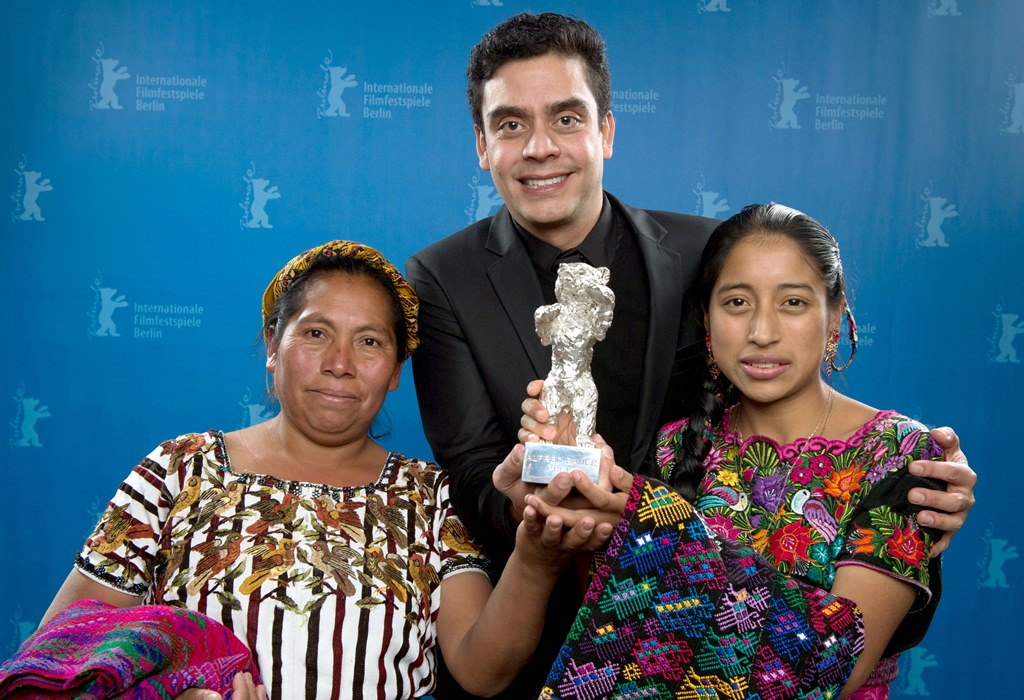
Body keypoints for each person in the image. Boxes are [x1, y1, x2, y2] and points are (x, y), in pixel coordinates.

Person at [406, 11, 976, 698]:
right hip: (554, 642)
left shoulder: (711, 253)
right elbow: (471, 470)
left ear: (606, 130)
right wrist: (547, 507)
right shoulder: (441, 278)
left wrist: (926, 481)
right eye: (509, 125)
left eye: (565, 118)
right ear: (481, 144)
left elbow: (841, 640)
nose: (539, 147)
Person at [32, 241, 613, 700]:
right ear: (271, 344)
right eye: (315, 333)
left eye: (368, 342)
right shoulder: (178, 471)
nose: (339, 364)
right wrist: (168, 694)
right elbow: (56, 656)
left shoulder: (427, 495)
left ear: (394, 371)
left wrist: (537, 558)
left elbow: (482, 670)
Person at [650, 203, 943, 696]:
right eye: (737, 303)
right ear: (706, 318)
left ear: (835, 316)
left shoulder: (898, 453)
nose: (762, 332)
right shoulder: (672, 446)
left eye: (793, 303)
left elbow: (834, 668)